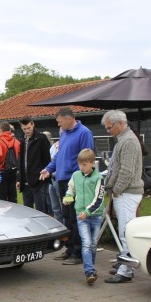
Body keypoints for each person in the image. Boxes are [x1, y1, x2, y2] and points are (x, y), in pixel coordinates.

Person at [40, 107, 94, 265]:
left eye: (59, 121)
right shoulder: (64, 134)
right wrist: (49, 169)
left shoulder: (84, 133)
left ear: (69, 119)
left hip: (75, 182)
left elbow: (87, 158)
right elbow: (59, 156)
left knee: (76, 217)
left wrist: (79, 179)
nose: (58, 124)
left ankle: (78, 252)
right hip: (62, 181)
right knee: (67, 216)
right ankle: (69, 248)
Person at [101, 110, 144, 283]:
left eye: (109, 127)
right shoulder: (124, 140)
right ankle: (123, 265)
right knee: (123, 232)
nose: (108, 131)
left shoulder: (129, 141)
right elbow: (117, 168)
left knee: (126, 233)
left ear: (119, 123)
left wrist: (116, 189)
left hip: (127, 193)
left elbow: (127, 171)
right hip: (123, 193)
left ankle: (126, 270)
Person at [62, 149, 105, 284]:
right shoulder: (76, 175)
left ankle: (91, 268)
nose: (81, 167)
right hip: (81, 217)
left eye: (84, 165)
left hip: (95, 216)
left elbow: (99, 199)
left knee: (92, 245)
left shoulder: (99, 178)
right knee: (86, 244)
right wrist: (68, 196)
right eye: (80, 164)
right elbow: (71, 189)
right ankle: (89, 272)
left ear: (92, 163)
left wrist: (88, 211)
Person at [16, 116, 51, 213]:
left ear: (33, 124)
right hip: (25, 182)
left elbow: (47, 160)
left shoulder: (41, 138)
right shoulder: (22, 140)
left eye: (28, 128)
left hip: (38, 181)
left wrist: (44, 177)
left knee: (40, 210)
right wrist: (19, 179)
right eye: (24, 129)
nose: (27, 131)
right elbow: (21, 161)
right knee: (27, 211)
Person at [0, 121, 20, 202]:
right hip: (14, 171)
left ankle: (2, 213)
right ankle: (13, 213)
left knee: (1, 197)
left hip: (2, 171)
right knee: (13, 196)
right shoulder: (16, 141)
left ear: (0, 130)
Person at [46, 130, 64, 224]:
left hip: (61, 178)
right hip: (52, 178)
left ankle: (66, 231)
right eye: (60, 133)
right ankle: (59, 230)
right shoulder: (55, 145)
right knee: (55, 208)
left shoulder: (66, 146)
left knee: (63, 207)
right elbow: (51, 159)